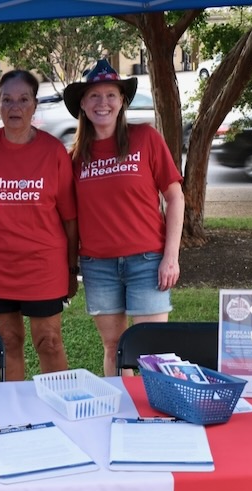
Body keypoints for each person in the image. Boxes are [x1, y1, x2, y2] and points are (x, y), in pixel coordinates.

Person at [64, 59, 185, 377]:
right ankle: (123, 416)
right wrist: (70, 266)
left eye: (110, 95)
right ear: (83, 105)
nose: (102, 103)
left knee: (152, 348)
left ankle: (158, 417)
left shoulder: (145, 138)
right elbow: (70, 217)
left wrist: (170, 257)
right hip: (98, 265)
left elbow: (175, 197)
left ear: (122, 101)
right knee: (113, 347)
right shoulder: (75, 157)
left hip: (147, 260)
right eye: (93, 96)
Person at [0, 69, 78, 381]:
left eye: (23, 99)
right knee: (8, 342)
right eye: (7, 100)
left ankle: (58, 408)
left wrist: (72, 269)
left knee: (49, 341)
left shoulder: (53, 151)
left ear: (34, 105)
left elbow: (70, 218)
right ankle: (15, 417)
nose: (15, 107)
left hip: (43, 265)